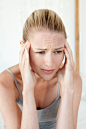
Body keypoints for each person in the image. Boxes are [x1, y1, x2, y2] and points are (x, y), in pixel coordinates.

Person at [0, 9, 82, 129]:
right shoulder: (5, 83)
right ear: (24, 49)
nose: (49, 63)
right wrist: (28, 90)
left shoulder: (71, 79)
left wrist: (68, 89)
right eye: (40, 52)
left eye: (58, 51)